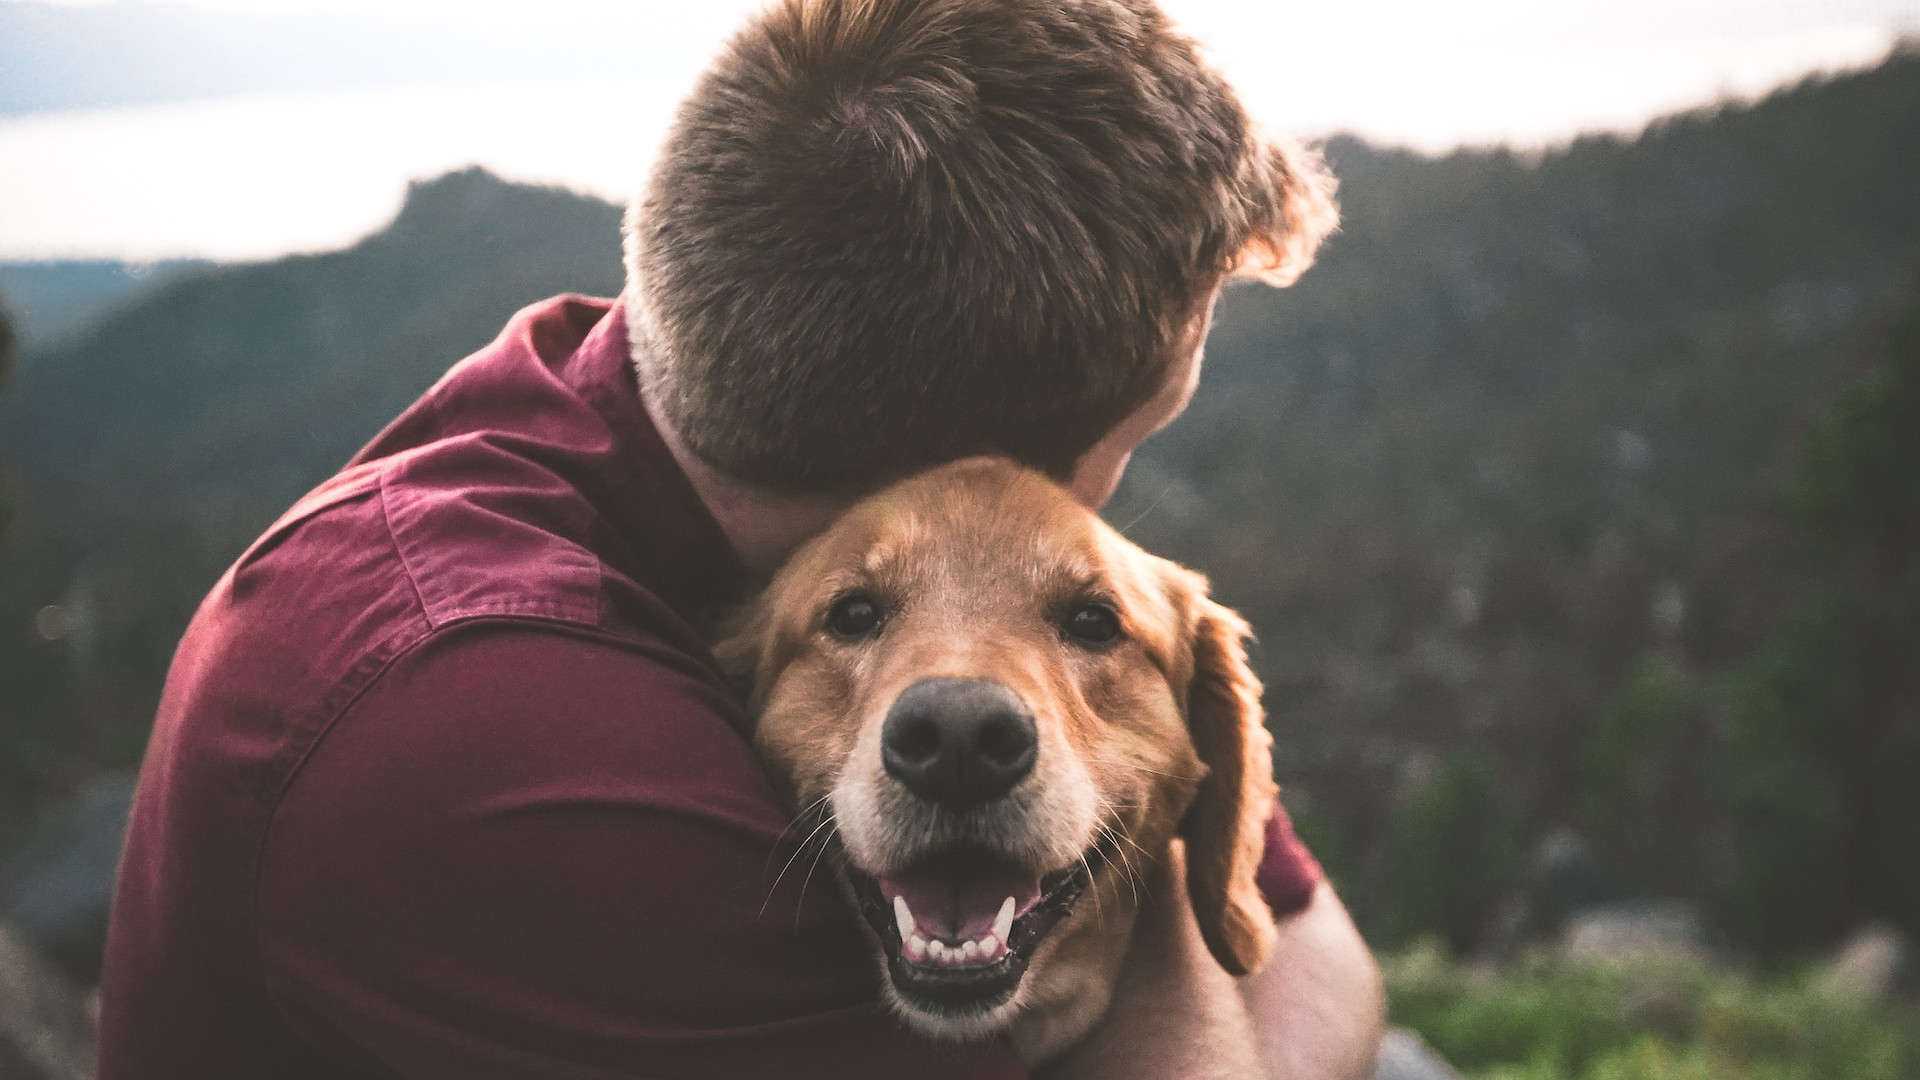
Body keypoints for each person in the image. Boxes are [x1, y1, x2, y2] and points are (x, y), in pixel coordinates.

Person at [97, 0, 1382, 1076]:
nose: (1085, 516)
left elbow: (1316, 952)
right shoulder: (493, 736)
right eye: (1138, 434)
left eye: (1080, 606)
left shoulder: (667, 397)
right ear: (973, 470)